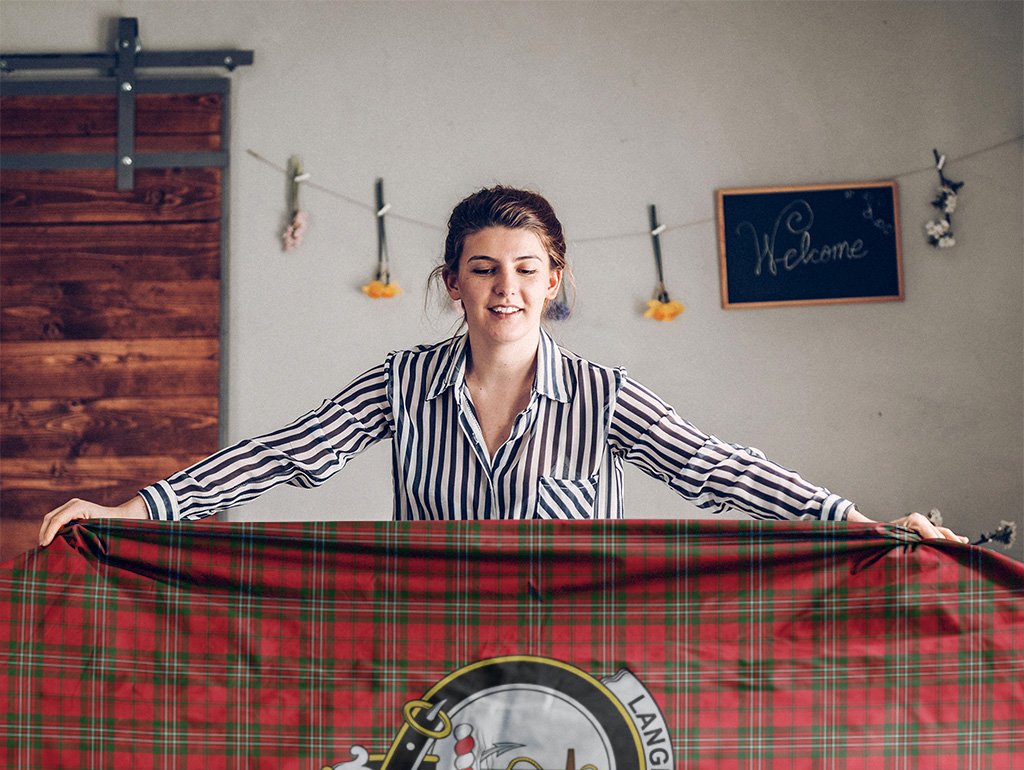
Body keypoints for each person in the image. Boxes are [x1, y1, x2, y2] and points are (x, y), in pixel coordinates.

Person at [38, 185, 967, 547]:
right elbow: (284, 455)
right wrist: (136, 511)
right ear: (453, 283)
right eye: (484, 270)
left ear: (555, 280)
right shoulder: (401, 382)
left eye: (526, 271)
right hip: (433, 658)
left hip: (579, 662)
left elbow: (717, 467)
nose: (506, 289)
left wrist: (856, 523)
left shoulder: (603, 396)